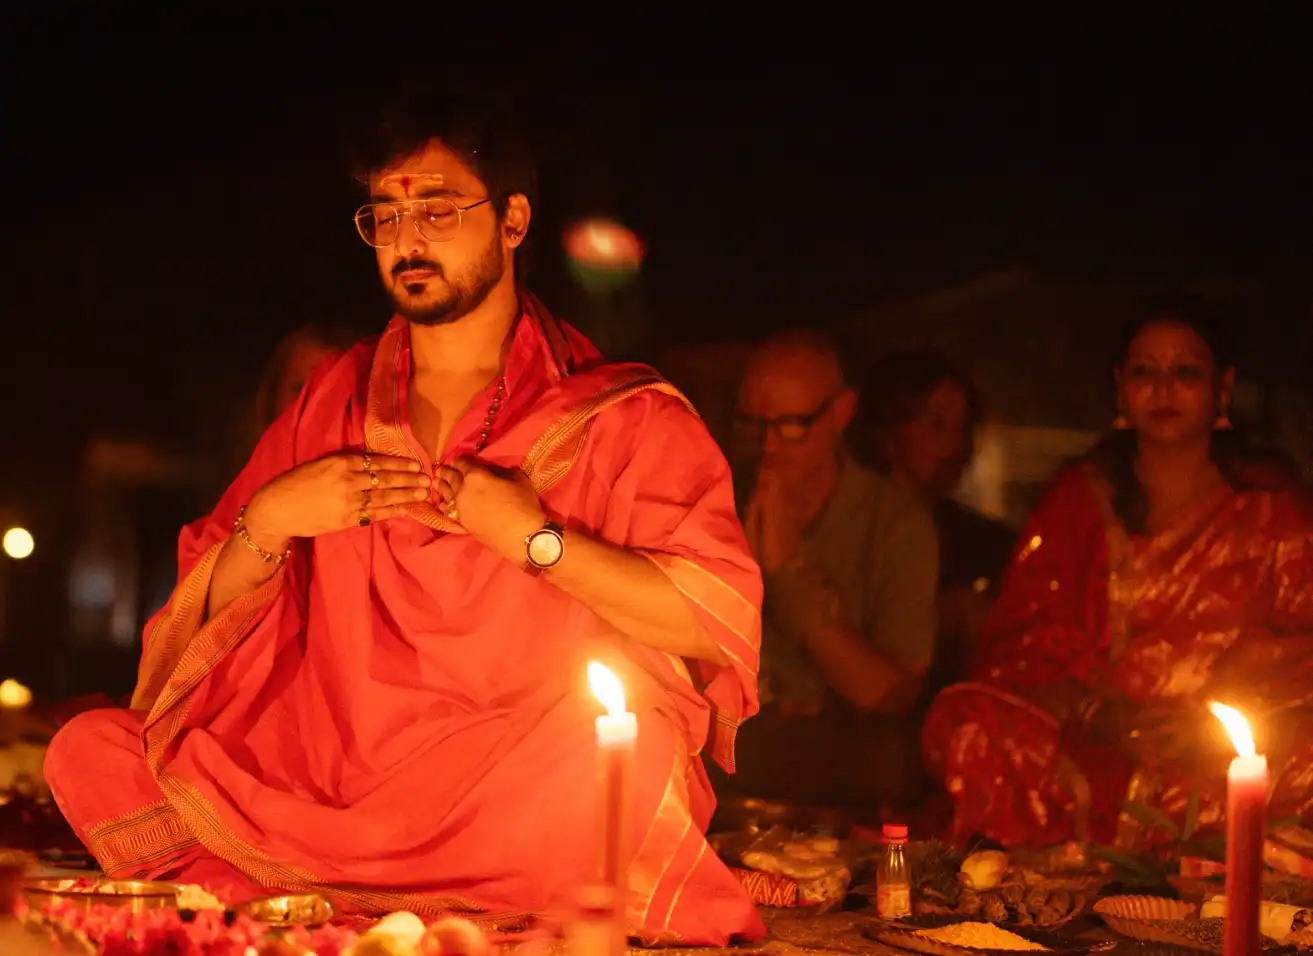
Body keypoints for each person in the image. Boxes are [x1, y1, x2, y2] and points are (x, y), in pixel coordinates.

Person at [44, 90, 765, 944]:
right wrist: (271, 519)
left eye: (437, 208)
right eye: (385, 215)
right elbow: (197, 618)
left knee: (628, 755)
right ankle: (333, 898)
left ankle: (289, 904)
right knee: (91, 749)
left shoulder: (619, 414)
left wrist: (536, 541)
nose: (407, 238)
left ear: (512, 219)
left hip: (511, 777)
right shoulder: (332, 400)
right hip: (329, 773)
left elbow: (708, 623)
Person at [922, 296, 1313, 848]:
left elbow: (1302, 649)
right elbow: (1022, 646)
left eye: (1185, 372)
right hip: (1098, 739)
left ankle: (1197, 839)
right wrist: (1103, 716)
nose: (1163, 388)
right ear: (1120, 388)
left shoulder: (1271, 505)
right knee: (968, 723)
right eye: (1144, 372)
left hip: (1224, 745)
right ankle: (1113, 844)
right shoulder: (1079, 500)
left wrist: (1212, 722)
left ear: (1222, 388)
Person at [723, 329, 940, 811]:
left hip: (845, 777)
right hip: (734, 759)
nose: (768, 446)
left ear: (841, 413)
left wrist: (788, 577)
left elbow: (888, 694)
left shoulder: (895, 525)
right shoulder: (716, 503)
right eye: (752, 425)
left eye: (792, 426)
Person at [850, 349, 1014, 691]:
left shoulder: (986, 543)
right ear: (889, 431)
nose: (956, 444)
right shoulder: (850, 528)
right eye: (937, 424)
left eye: (963, 427)